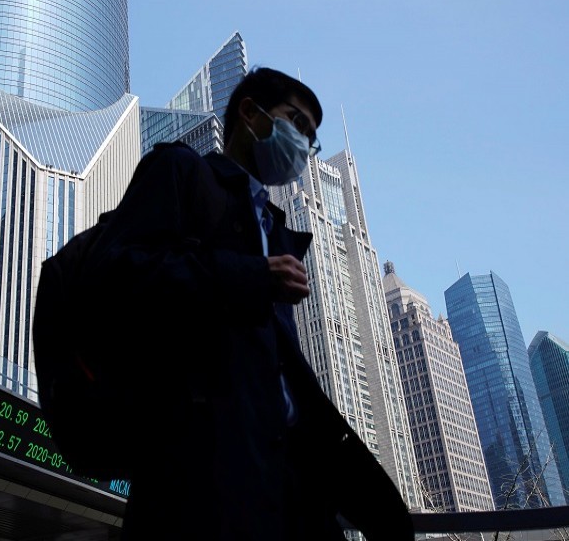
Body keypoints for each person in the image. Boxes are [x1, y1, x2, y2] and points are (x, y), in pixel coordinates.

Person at [83, 67, 414, 540]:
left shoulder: (275, 228)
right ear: (250, 113)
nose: (302, 144)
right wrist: (253, 275)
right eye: (295, 122)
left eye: (311, 137)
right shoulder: (180, 170)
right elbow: (116, 273)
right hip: (204, 482)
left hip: (287, 476)